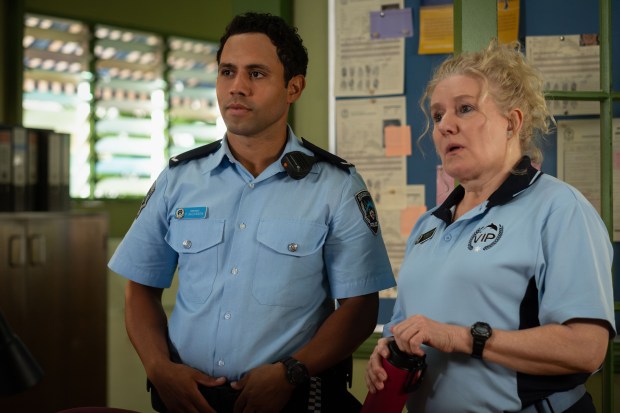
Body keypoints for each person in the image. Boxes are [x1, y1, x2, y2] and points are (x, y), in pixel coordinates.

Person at [108, 12, 396, 413]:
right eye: (227, 72)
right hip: (187, 399)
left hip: (294, 400)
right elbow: (140, 287)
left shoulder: (336, 185)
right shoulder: (180, 179)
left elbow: (360, 307)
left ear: (293, 87)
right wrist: (158, 368)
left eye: (256, 74)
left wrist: (292, 371)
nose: (237, 87)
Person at [365, 40, 616, 412]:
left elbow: (587, 349)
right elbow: (406, 325)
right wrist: (388, 347)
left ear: (512, 122)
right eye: (436, 116)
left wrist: (465, 338)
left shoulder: (560, 209)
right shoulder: (428, 225)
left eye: (464, 109)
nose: (446, 125)